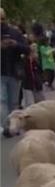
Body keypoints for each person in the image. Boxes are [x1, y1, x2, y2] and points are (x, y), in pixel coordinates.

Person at [1, 8, 28, 137]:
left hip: (14, 72)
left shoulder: (15, 33)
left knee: (13, 101)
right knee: (2, 100)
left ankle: (14, 126)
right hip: (2, 73)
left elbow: (26, 48)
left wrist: (15, 44)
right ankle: (6, 126)